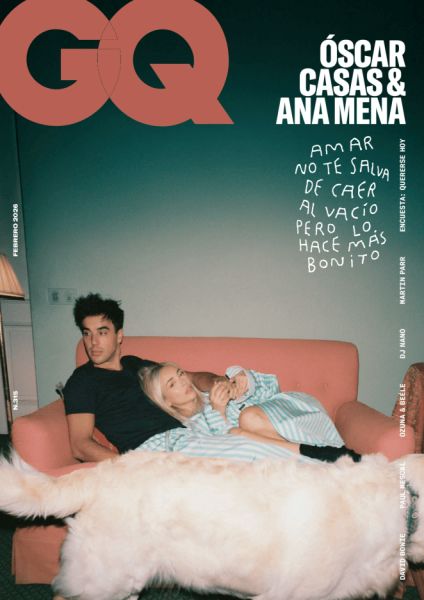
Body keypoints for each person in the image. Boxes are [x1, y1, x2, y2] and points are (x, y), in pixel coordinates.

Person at [138, 362, 362, 463]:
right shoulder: (190, 430)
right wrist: (219, 411)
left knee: (248, 420)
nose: (182, 381)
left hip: (298, 416)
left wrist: (245, 381)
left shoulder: (214, 390)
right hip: (280, 451)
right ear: (166, 401)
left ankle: (319, 456)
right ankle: (319, 458)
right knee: (241, 433)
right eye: (172, 384)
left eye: (180, 374)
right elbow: (230, 450)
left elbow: (271, 388)